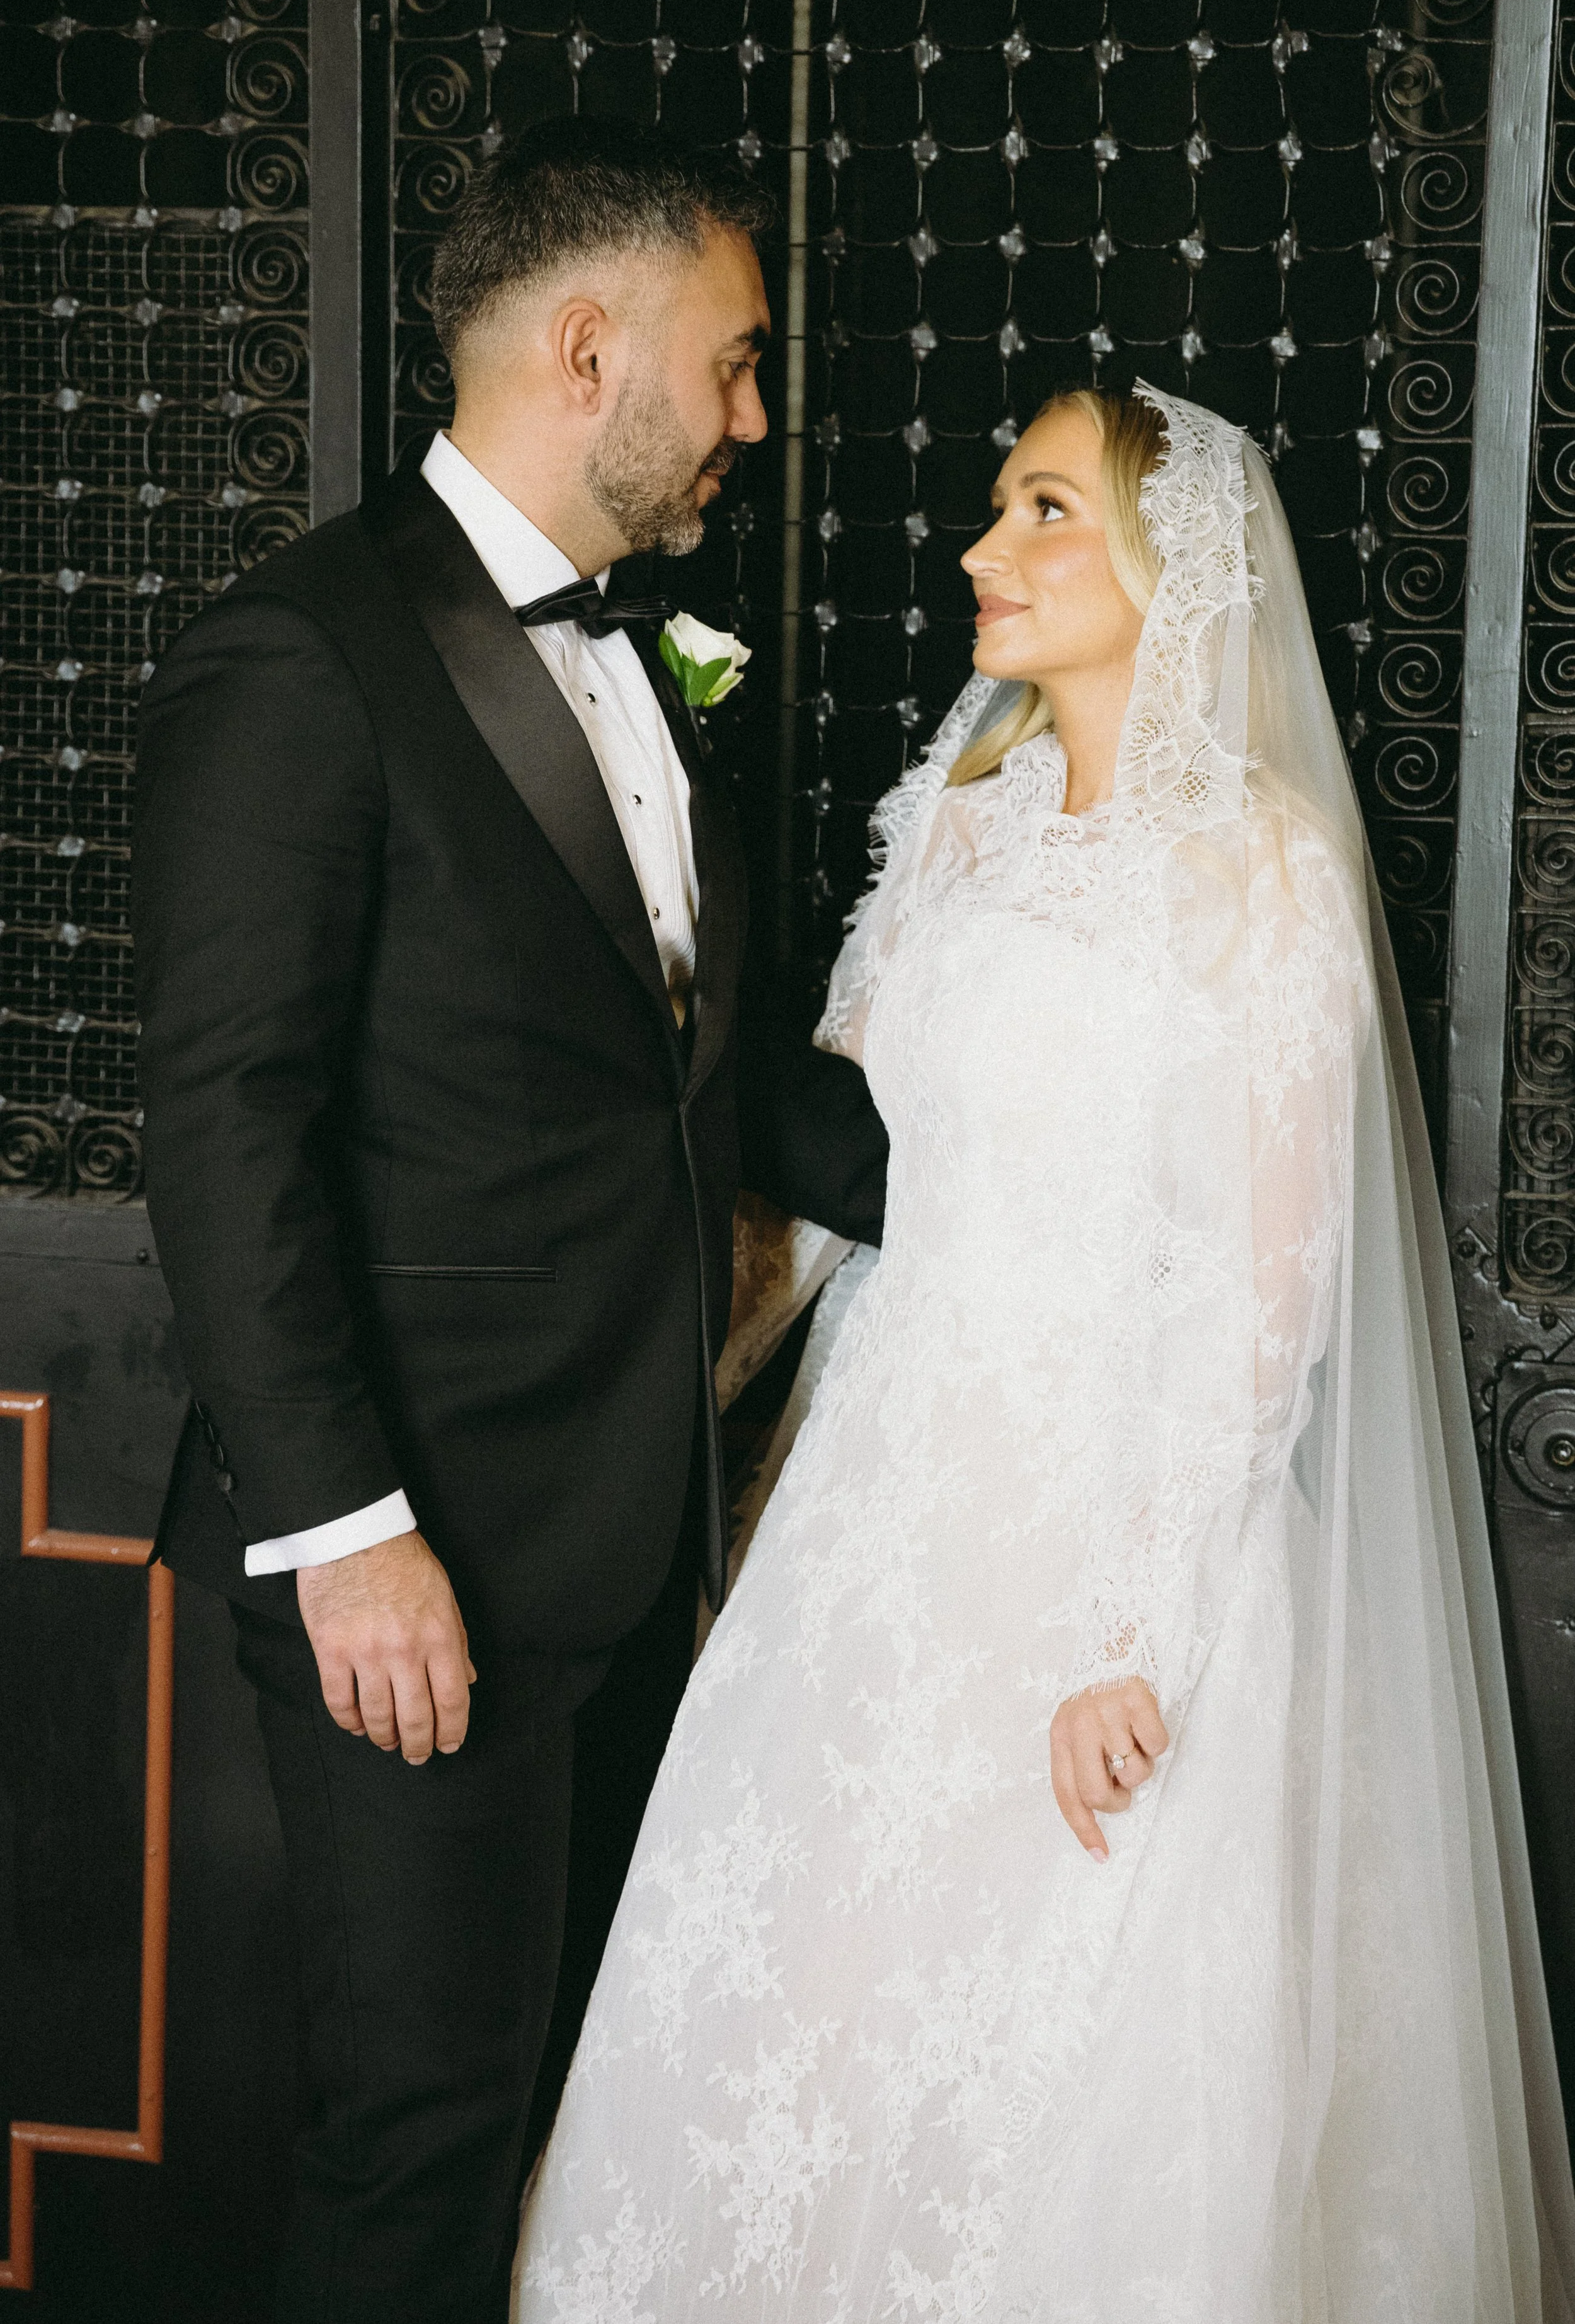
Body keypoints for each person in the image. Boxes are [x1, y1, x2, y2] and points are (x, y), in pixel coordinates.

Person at [513, 385, 1575, 2319]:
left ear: (1174, 576)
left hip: (1107, 1533)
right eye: (999, 507)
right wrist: (686, 1424)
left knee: (1062, 2065)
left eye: (1042, 510)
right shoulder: (955, 824)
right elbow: (842, 1168)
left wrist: (1130, 1623)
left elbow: (1271, 1284)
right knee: (798, 2021)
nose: (982, 550)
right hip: (877, 1508)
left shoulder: (1261, 871)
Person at [132, 120, 885, 2324]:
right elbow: (226, 1122)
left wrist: (1053, 1173)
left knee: (593, 2114)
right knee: (423, 2143)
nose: (757, 417)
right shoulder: (301, 660)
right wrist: (349, 1527)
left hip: (640, 1540)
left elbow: (707, 1072)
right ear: (589, 347)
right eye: (734, 365)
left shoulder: (648, 655)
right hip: (419, 1563)